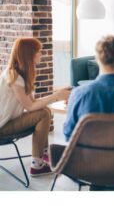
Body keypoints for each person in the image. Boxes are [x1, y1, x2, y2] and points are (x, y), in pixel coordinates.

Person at [0, 38, 70, 176]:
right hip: (3, 126)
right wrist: (56, 96)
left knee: (44, 110)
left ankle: (44, 155)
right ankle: (37, 165)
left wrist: (59, 94)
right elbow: (30, 107)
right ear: (29, 54)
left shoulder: (20, 74)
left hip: (8, 121)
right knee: (43, 113)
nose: (41, 54)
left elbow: (33, 104)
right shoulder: (14, 76)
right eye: (39, 51)